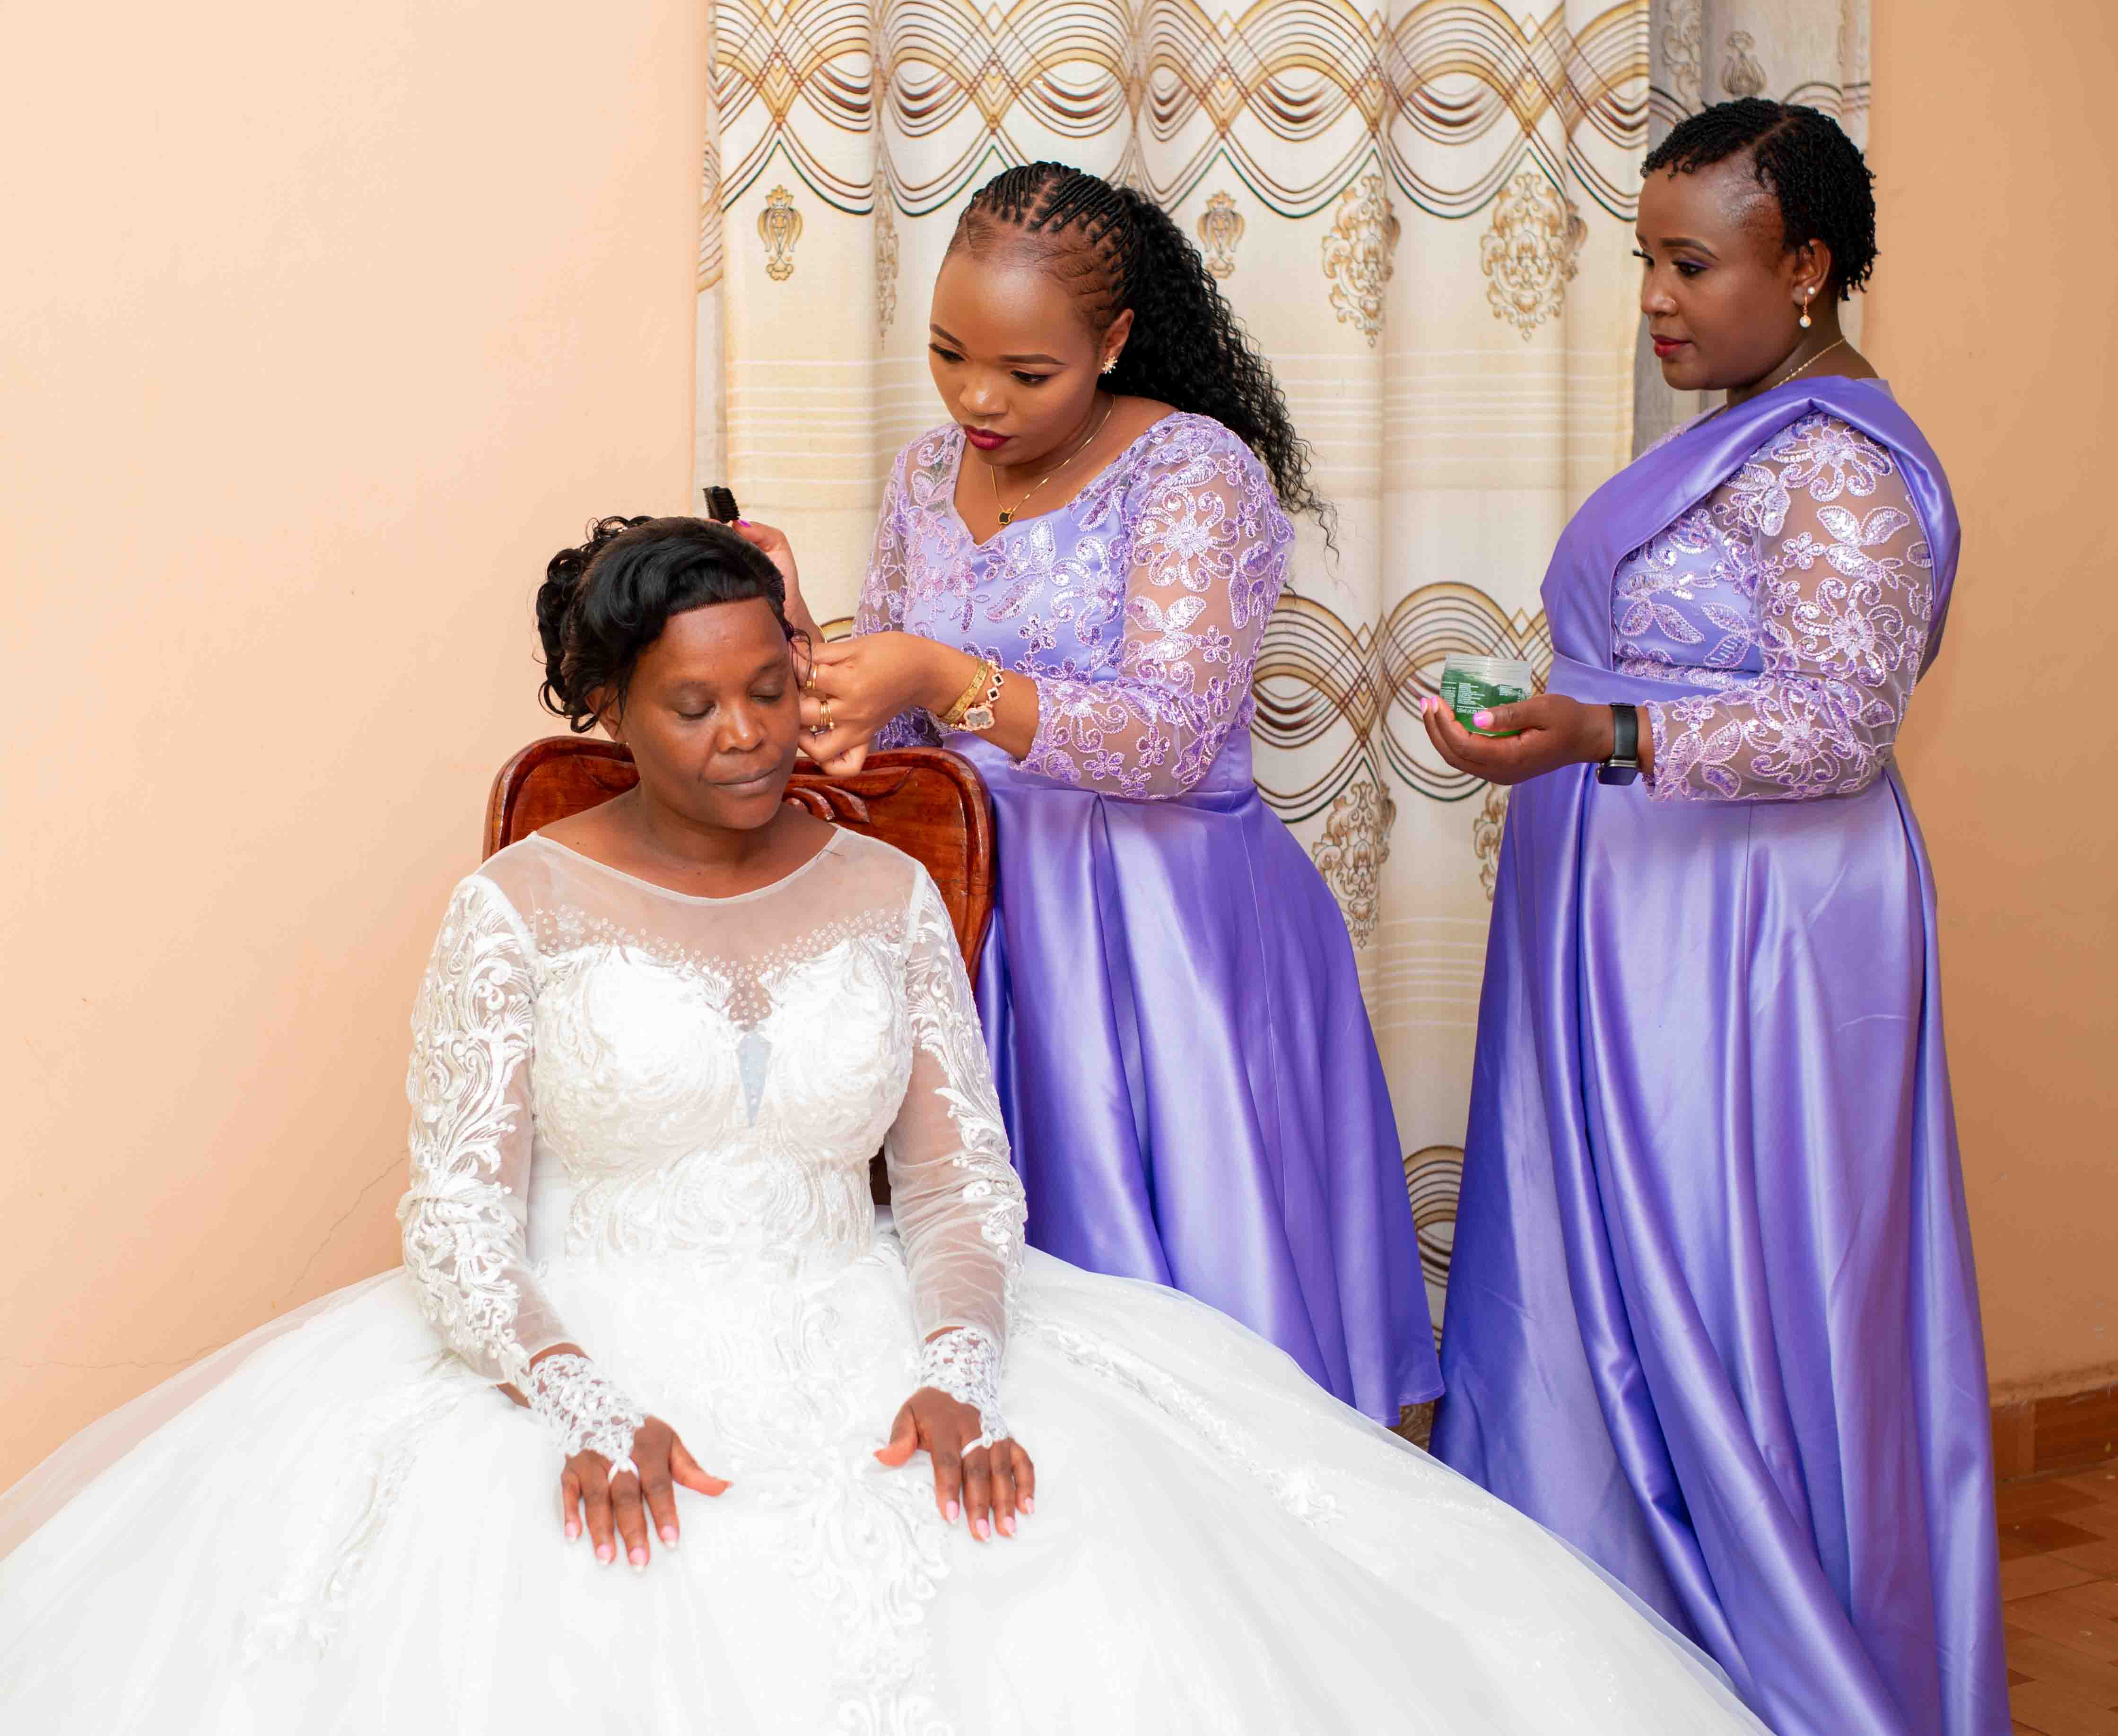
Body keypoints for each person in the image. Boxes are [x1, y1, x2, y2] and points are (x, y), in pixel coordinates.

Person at [0, 515, 1778, 1734]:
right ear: (604, 716)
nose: (748, 735)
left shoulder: (881, 888)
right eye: (691, 706)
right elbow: (458, 1216)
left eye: (773, 687)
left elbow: (951, 1173)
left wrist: (961, 1360)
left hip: (874, 1327)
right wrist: (586, 1405)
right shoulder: (520, 909)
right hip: (576, 1343)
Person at [1425, 100, 2007, 1736]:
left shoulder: (1841, 466)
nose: (1658, 299)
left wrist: (1599, 732)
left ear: (1807, 265)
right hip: (1641, 914)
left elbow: (1840, 722)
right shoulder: (1745, 430)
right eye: (1646, 262)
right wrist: (1552, 718)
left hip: (1753, 950)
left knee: (1727, 1291)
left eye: (1694, 263)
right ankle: (1600, 1652)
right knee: (1599, 1280)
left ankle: (1758, 1656)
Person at [735, 161, 1438, 1425]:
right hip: (980, 917)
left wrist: (948, 673)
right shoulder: (919, 477)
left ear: (1113, 341)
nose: (976, 399)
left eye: (1026, 372)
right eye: (950, 355)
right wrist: (791, 626)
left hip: (1160, 943)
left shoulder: (1194, 472)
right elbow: (893, 731)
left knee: (1180, 1331)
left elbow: (1170, 738)